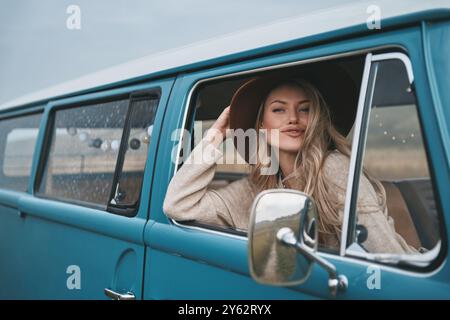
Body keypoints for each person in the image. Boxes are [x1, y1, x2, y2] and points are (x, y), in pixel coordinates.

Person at [163, 67, 417, 254]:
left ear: (315, 117)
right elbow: (178, 204)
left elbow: (385, 255)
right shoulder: (251, 191)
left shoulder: (334, 168)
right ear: (261, 124)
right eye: (279, 109)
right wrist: (215, 136)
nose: (293, 118)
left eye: (304, 109)